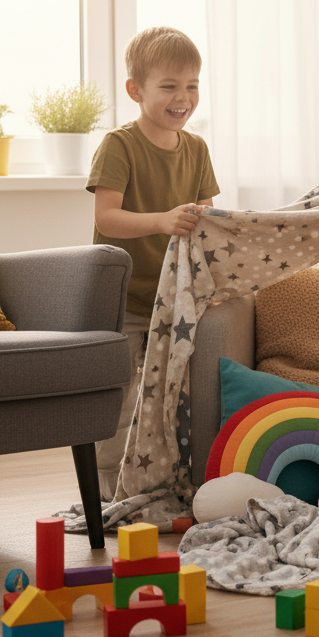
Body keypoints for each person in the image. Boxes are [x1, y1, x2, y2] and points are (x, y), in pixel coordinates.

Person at [86, 26, 220, 500]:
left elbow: (204, 220)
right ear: (136, 90)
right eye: (169, 86)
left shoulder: (197, 149)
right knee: (120, 397)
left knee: (171, 395)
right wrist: (164, 220)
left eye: (192, 86)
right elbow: (106, 217)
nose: (183, 98)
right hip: (123, 297)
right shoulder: (119, 145)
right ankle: (108, 490)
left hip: (174, 300)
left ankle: (165, 479)